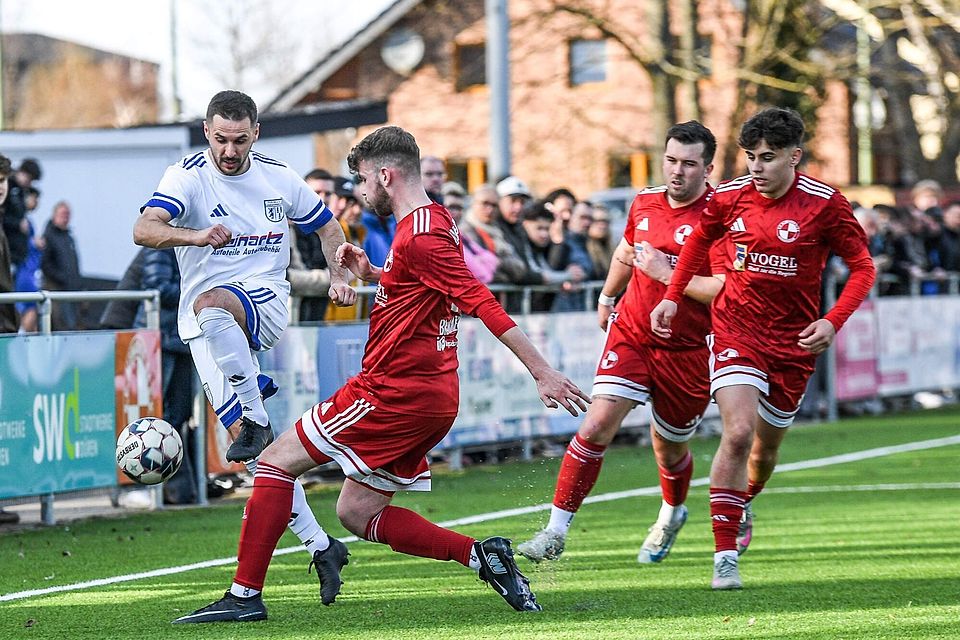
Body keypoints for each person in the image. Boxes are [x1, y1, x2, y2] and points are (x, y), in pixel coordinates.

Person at [173, 125, 590, 623]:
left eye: (363, 181)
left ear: (386, 175)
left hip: (392, 391)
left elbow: (482, 301)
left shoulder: (421, 238)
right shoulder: (432, 221)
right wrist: (375, 273)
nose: (360, 192)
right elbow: (420, 285)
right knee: (356, 513)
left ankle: (243, 597)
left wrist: (542, 371)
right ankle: (483, 556)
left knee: (272, 463)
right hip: (431, 395)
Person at [134, 90, 357, 602]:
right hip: (202, 328)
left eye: (239, 140)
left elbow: (329, 228)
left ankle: (254, 417)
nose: (229, 150)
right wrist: (196, 236)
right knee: (262, 461)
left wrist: (337, 275)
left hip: (263, 301)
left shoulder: (279, 176)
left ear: (256, 133)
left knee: (214, 303)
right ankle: (322, 546)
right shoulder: (186, 175)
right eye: (220, 139)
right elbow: (144, 230)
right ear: (207, 133)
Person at [651, 107, 875, 590]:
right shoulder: (730, 197)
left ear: (795, 157)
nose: (756, 166)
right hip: (736, 332)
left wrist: (833, 320)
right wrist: (671, 296)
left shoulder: (825, 204)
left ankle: (744, 499)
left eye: (768, 158)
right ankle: (724, 557)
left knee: (765, 450)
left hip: (794, 344)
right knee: (736, 433)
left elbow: (863, 268)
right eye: (751, 156)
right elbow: (695, 247)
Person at [517, 121, 724, 565]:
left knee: (669, 449)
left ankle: (671, 510)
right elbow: (626, 253)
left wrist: (669, 274)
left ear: (708, 168)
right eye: (671, 161)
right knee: (594, 426)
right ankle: (554, 532)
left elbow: (723, 289)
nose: (677, 172)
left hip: (686, 349)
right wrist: (608, 295)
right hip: (631, 335)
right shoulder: (644, 202)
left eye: (689, 164)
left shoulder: (720, 216)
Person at [40, 201, 83, 331]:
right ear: (54, 215)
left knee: (73, 325)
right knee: (61, 326)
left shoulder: (68, 237)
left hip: (72, 290)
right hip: (56, 290)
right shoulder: (48, 236)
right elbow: (45, 264)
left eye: (68, 214)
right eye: (63, 214)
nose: (66, 217)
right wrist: (61, 278)